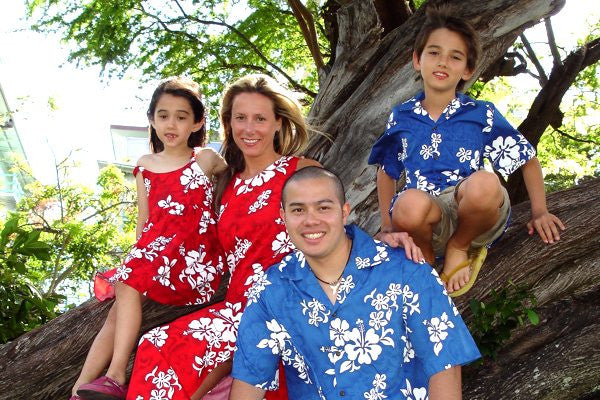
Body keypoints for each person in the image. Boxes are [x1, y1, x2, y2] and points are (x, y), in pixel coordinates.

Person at [123, 74, 323, 400]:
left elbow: (331, 235)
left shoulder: (300, 170)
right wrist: (139, 266)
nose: (249, 128)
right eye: (240, 118)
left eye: (260, 118)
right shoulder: (226, 184)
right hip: (235, 308)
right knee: (157, 347)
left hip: (291, 301)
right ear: (228, 124)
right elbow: (189, 231)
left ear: (277, 123)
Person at [230, 166, 481, 399]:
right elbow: (250, 378)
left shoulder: (407, 271)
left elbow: (445, 364)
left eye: (324, 207)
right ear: (283, 216)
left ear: (344, 211)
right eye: (298, 210)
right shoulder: (271, 290)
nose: (311, 220)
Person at [368, 5, 565, 296]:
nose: (443, 62)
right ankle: (426, 262)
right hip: (426, 221)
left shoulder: (480, 112)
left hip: (471, 212)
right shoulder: (401, 115)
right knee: (407, 201)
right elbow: (387, 171)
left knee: (486, 181)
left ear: (468, 69)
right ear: (416, 60)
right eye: (434, 52)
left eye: (455, 56)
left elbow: (526, 159)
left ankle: (460, 247)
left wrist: (540, 211)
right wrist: (387, 226)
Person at [72, 77, 226, 400]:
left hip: (194, 259)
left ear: (197, 122)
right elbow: (144, 224)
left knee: (128, 283)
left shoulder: (205, 160)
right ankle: (78, 391)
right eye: (163, 115)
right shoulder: (145, 165)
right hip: (156, 255)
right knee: (118, 310)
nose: (171, 124)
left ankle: (115, 375)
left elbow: (232, 181)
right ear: (152, 120)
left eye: (182, 116)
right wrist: (134, 263)